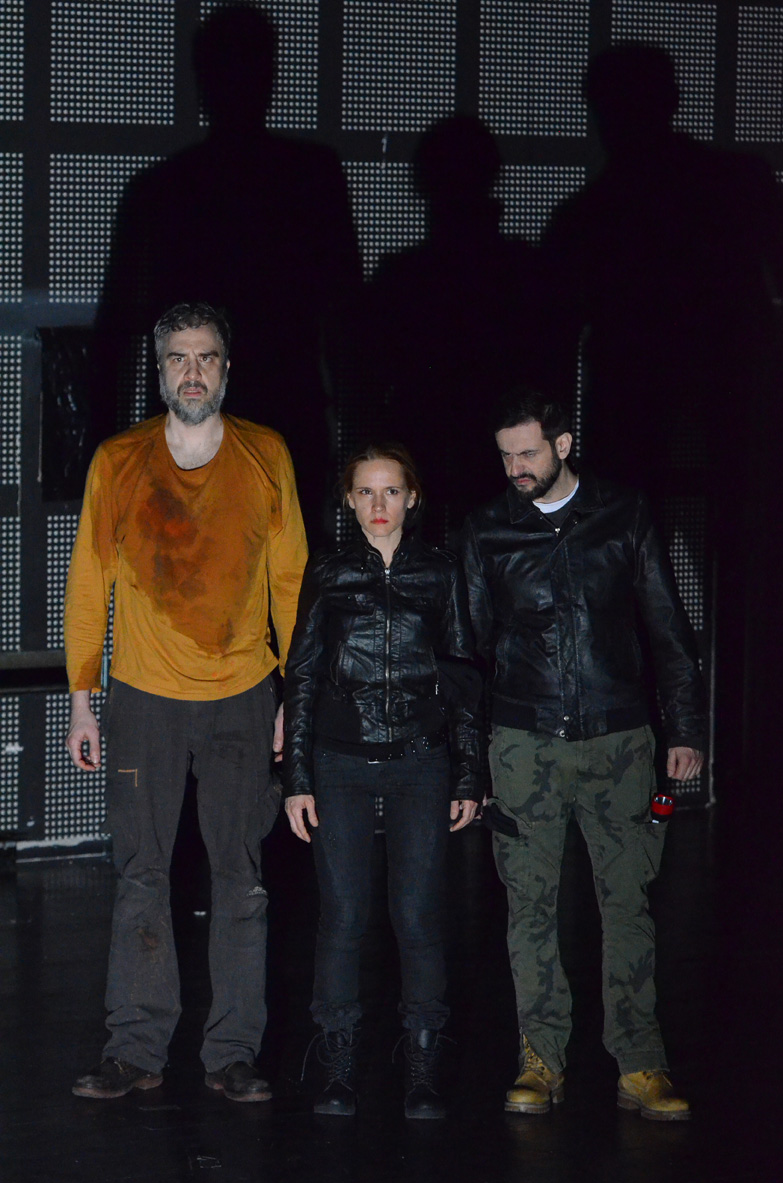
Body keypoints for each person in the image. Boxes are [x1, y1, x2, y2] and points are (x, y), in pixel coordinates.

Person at [64, 302, 308, 1101]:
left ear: (227, 369)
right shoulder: (119, 459)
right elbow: (88, 582)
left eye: (206, 357)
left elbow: (290, 583)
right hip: (143, 697)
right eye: (178, 358)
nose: (192, 371)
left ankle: (232, 1051)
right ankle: (135, 1048)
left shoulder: (266, 454)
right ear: (160, 368)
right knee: (141, 872)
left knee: (241, 874)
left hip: (242, 694)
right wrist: (82, 699)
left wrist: (293, 695)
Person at [461, 390, 707, 1121]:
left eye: (528, 452)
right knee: (528, 908)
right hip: (523, 743)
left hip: (617, 740)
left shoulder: (622, 513)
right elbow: (467, 652)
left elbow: (666, 624)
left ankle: (640, 1062)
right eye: (505, 455)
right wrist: (470, 760)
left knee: (627, 902)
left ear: (563, 445)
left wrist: (685, 729)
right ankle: (540, 1059)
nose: (516, 467)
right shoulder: (487, 529)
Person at [282, 444, 482, 1119]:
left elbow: (464, 675)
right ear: (348, 499)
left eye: (390, 491)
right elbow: (302, 673)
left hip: (421, 761)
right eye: (365, 492)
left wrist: (469, 772)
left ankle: (422, 1061)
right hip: (339, 762)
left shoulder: (440, 572)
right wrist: (296, 776)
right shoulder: (329, 571)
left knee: (418, 915)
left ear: (411, 497)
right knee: (342, 915)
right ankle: (338, 1060)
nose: (378, 504)